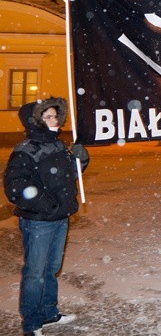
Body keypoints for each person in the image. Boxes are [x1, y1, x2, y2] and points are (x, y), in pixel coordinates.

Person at [4, 97, 89, 336]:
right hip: (39, 222)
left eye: (56, 116)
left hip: (60, 218)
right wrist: (47, 204)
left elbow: (70, 175)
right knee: (35, 272)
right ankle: (32, 323)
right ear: (35, 121)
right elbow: (15, 187)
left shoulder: (58, 145)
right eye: (49, 117)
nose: (56, 121)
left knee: (51, 268)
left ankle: (49, 313)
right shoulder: (26, 150)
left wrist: (81, 160)